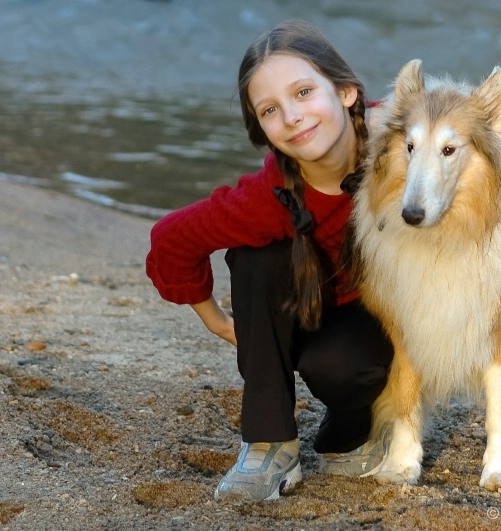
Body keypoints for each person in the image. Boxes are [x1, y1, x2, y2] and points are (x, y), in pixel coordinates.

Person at [145, 20, 393, 502]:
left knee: (342, 367)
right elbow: (170, 239)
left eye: (304, 92)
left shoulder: (402, 141)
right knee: (257, 259)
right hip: (302, 307)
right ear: (260, 127)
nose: (293, 116)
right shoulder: (265, 198)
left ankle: (352, 427)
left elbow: (495, 132)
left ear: (345, 92)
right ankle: (270, 442)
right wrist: (218, 321)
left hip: (378, 318)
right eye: (271, 109)